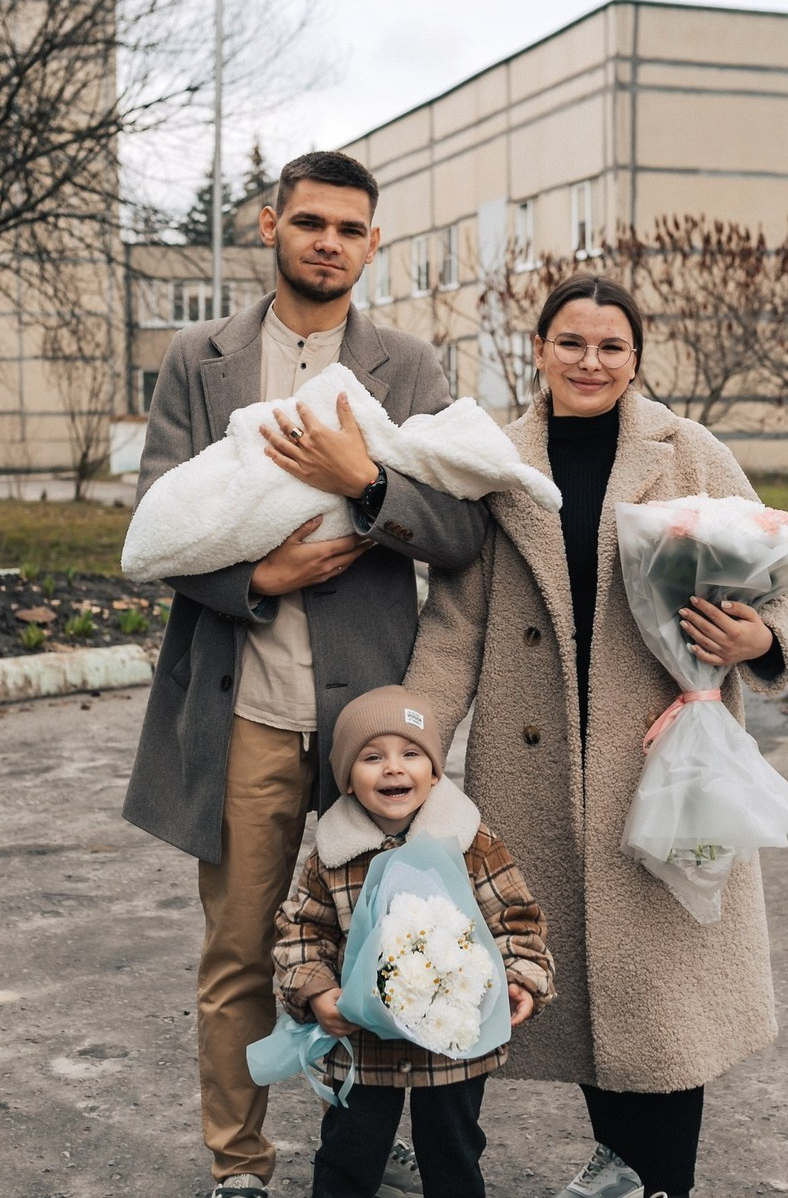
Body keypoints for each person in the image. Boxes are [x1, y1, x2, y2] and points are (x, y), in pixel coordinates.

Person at [122, 150, 487, 1198]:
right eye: (309, 221)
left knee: (383, 930)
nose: (328, 241)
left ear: (374, 243)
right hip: (237, 710)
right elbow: (156, 528)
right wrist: (260, 573)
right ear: (271, 224)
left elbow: (460, 531)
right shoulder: (200, 360)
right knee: (242, 952)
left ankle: (366, 1125)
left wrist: (365, 483)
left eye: (349, 228)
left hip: (364, 722)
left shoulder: (409, 368)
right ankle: (239, 1162)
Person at [403, 275, 788, 1198]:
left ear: (636, 356)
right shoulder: (495, 462)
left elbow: (778, 571)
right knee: (576, 974)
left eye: (611, 346)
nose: (590, 362)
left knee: (661, 984)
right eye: (571, 342)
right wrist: (414, 737)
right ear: (538, 348)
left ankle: (659, 1174)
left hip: (663, 758)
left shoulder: (689, 450)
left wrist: (762, 637)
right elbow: (457, 621)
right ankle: (622, 1161)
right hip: (533, 763)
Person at [272, 685, 555, 1198]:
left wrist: (522, 979)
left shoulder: (470, 843)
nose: (393, 769)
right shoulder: (332, 855)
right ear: (348, 781)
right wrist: (315, 992)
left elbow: (517, 920)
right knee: (348, 1155)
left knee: (453, 1153)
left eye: (411, 754)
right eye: (372, 757)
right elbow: (301, 931)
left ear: (434, 770)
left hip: (454, 1046)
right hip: (361, 1042)